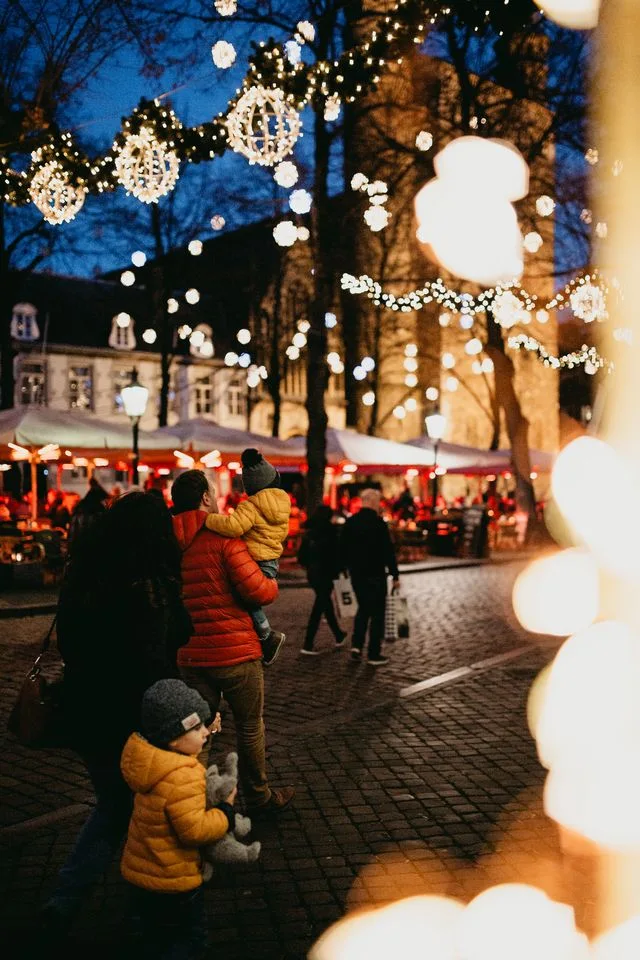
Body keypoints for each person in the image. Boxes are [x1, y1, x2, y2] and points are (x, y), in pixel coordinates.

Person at [39, 492, 193, 940]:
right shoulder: (150, 583)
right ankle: (143, 906)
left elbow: (69, 641)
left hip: (88, 710)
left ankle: (67, 899)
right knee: (147, 814)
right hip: (140, 714)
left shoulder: (83, 573)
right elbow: (167, 645)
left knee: (112, 805)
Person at [171, 468, 295, 815]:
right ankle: (259, 797)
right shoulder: (223, 538)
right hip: (236, 653)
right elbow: (258, 589)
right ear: (206, 499)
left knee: (200, 730)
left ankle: (194, 805)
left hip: (191, 655)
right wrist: (271, 582)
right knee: (250, 725)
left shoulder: (166, 544)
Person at [121, 679, 236, 960]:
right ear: (174, 738)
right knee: (189, 939)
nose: (205, 734)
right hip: (175, 880)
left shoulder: (150, 763)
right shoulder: (182, 775)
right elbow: (194, 831)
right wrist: (226, 813)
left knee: (151, 937)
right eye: (196, 729)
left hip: (141, 873)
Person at [203, 448, 290, 667]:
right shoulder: (283, 504)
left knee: (242, 596)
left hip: (255, 560)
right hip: (271, 561)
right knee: (244, 597)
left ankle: (266, 635)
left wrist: (208, 519)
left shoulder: (251, 506)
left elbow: (233, 526)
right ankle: (261, 638)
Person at [341, 488, 400, 667]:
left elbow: (342, 547)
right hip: (376, 574)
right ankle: (373, 653)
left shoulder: (350, 522)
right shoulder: (378, 523)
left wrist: (345, 568)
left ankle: (357, 646)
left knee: (363, 609)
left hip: (357, 574)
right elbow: (388, 551)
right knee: (377, 614)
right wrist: (395, 574)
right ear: (374, 502)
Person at [298, 506, 347, 655]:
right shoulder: (331, 532)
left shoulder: (309, 534)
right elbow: (337, 554)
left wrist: (309, 566)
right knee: (320, 607)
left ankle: (338, 634)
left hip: (313, 574)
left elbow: (301, 557)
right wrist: (340, 570)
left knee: (325, 603)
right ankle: (308, 644)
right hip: (327, 574)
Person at [68, 477, 109, 550]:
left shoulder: (78, 512)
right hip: (93, 554)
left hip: (78, 554)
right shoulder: (99, 516)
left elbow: (72, 538)